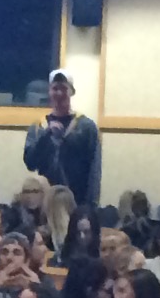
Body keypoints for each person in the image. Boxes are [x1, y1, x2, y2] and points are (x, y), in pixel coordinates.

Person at [22, 70, 101, 211]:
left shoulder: (86, 126)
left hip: (77, 201)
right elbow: (30, 162)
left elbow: (94, 167)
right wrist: (46, 136)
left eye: (64, 88)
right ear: (49, 91)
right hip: (45, 203)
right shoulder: (38, 127)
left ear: (72, 91)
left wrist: (91, 204)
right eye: (55, 88)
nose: (59, 93)